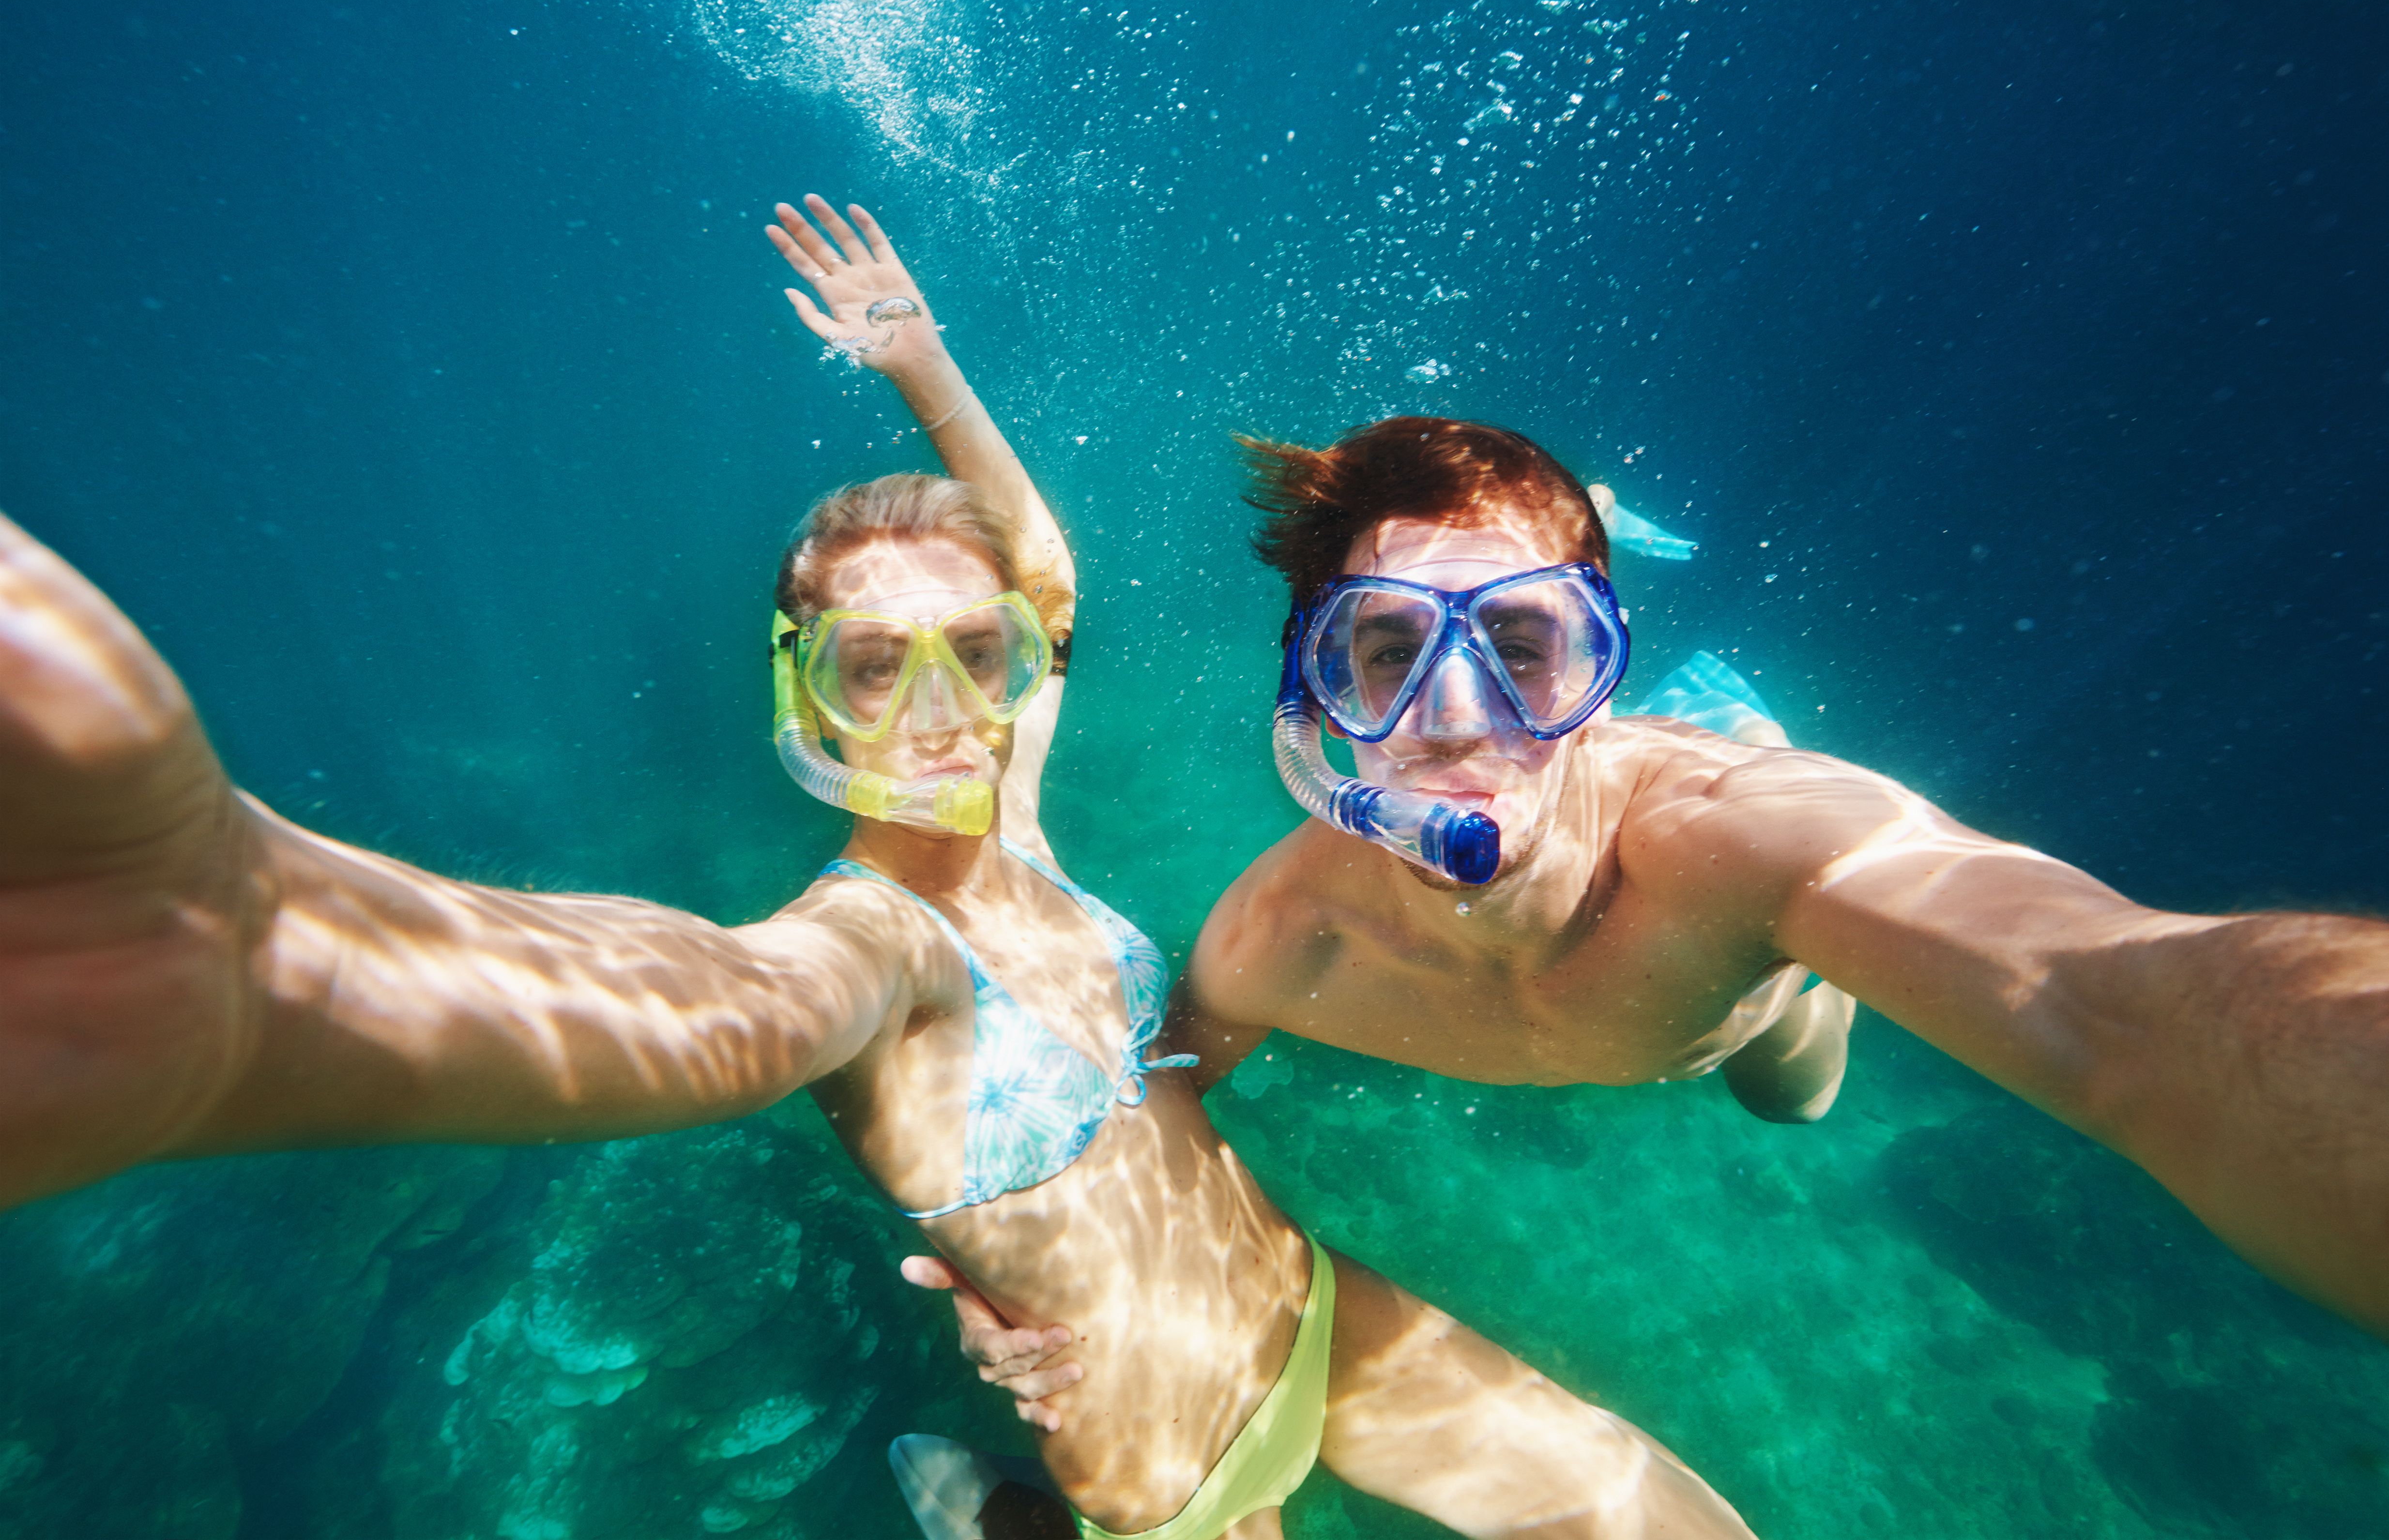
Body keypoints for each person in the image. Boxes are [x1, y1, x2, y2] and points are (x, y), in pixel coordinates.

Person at [0, 200, 1760, 1540]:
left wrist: (921, 366)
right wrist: (277, 966)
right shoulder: (864, 946)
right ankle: (996, 1512)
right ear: (800, 695)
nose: (938, 712)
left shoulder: (1016, 817)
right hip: (1179, 1485)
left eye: (972, 658)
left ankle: (972, 1496)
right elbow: (710, 1007)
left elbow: (1046, 571)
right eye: (868, 666)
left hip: (1316, 1310)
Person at [936, 415, 2388, 1426]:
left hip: (1744, 1026)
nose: (1455, 721)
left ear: (1599, 678)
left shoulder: (1742, 852)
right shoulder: (1282, 941)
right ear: (1313, 702)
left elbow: (2136, 1007)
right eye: (1385, 652)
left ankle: (1727, 709)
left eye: (1523, 648)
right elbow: (1148, 1117)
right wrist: (1051, 1290)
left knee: (1794, 1104)